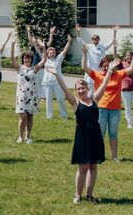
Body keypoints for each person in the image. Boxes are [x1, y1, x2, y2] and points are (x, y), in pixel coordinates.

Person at [49, 57, 115, 203]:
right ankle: (77, 195)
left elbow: (103, 85)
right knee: (83, 167)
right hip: (82, 137)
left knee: (93, 166)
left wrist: (110, 70)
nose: (81, 90)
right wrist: (57, 75)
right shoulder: (75, 103)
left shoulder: (95, 99)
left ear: (87, 88)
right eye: (78, 89)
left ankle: (89, 194)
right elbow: (65, 89)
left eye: (83, 88)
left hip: (95, 135)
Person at [83, 49, 130, 162]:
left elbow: (132, 68)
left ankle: (114, 157)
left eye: (108, 66)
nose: (106, 68)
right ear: (101, 66)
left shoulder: (118, 74)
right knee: (100, 133)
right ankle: (98, 155)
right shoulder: (97, 75)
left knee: (113, 133)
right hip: (101, 108)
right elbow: (84, 67)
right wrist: (84, 54)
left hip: (115, 109)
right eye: (104, 66)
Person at [8, 41, 41, 144]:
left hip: (32, 96)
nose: (27, 59)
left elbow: (44, 59)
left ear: (31, 59)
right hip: (22, 96)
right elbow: (12, 58)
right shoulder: (19, 68)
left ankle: (27, 136)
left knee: (30, 116)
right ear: (23, 59)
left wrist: (43, 47)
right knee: (23, 116)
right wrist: (13, 44)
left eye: (29, 58)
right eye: (25, 58)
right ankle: (20, 137)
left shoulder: (34, 69)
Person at [40, 35, 72, 121]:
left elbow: (65, 51)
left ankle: (64, 116)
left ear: (55, 53)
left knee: (60, 99)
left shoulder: (58, 59)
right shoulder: (45, 60)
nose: (52, 53)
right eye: (50, 52)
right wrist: (43, 45)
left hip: (58, 83)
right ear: (48, 54)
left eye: (53, 52)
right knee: (48, 101)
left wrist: (68, 42)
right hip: (47, 84)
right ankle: (49, 116)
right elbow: (41, 51)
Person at [76, 23, 115, 92]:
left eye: (96, 39)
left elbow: (112, 41)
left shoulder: (102, 46)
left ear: (98, 40)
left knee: (99, 90)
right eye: (93, 39)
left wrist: (114, 32)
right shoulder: (89, 46)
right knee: (89, 92)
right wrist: (78, 32)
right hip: (90, 71)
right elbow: (80, 41)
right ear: (92, 40)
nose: (95, 41)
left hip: (100, 71)